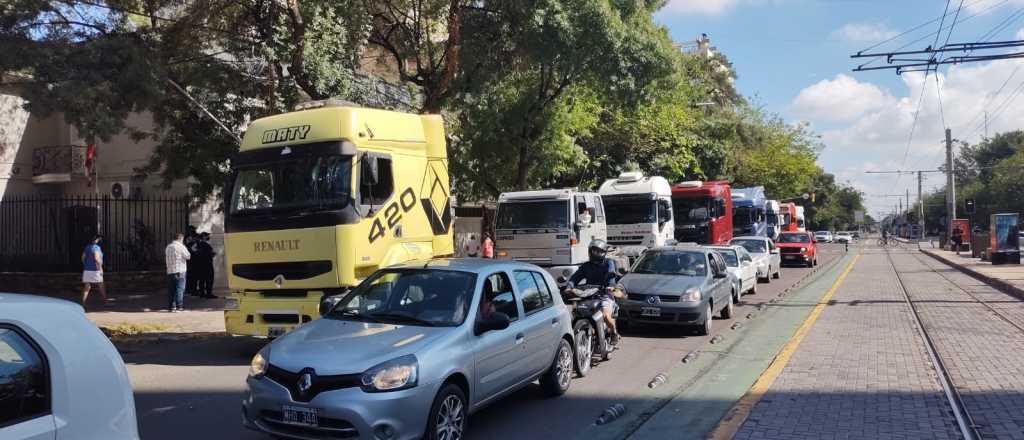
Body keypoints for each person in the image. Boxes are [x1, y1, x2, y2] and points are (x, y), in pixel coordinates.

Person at [567, 239, 619, 343]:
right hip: (589, 295)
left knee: (606, 316)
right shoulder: (586, 266)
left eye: (597, 251)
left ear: (603, 252)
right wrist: (569, 286)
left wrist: (611, 285)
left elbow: (611, 274)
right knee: (577, 313)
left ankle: (614, 333)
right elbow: (575, 278)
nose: (593, 253)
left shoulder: (609, 263)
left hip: (605, 294)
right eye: (592, 250)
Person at [80, 234, 110, 309]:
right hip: (95, 270)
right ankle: (106, 302)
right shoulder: (96, 248)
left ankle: (83, 304)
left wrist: (86, 265)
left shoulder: (88, 247)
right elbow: (96, 258)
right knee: (101, 285)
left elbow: (83, 258)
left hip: (87, 270)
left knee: (87, 287)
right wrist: (100, 269)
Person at [165, 233, 191, 312]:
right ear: (181, 238)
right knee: (180, 289)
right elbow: (188, 256)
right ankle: (179, 306)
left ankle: (171, 307)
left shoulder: (168, 247)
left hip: (170, 271)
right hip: (180, 270)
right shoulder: (181, 246)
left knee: (171, 289)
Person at [195, 232, 217, 298]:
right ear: (204, 236)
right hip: (207, 264)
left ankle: (202, 293)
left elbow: (196, 253)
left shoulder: (198, 245)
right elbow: (211, 253)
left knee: (202, 279)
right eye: (207, 235)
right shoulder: (206, 245)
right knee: (209, 279)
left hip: (200, 265)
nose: (208, 237)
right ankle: (209, 293)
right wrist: (213, 254)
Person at [184, 225, 200, 296]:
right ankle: (192, 290)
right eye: (193, 230)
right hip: (191, 259)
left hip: (192, 259)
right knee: (192, 275)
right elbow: (190, 247)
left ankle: (191, 289)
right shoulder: (188, 238)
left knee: (192, 275)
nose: (194, 231)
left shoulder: (190, 237)